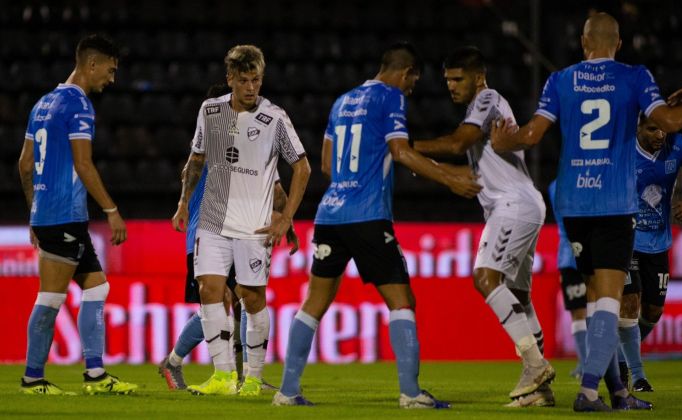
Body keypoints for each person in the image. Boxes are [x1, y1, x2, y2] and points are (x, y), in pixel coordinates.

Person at [491, 12, 682, 412]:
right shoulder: (634, 76)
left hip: (575, 203)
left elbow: (531, 135)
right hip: (614, 202)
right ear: (617, 44)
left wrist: (506, 140)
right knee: (608, 300)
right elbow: (671, 120)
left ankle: (618, 394)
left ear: (584, 44)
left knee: (597, 298)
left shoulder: (560, 79)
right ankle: (589, 393)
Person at [274, 42, 481, 409]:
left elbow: (326, 164)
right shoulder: (390, 97)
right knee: (402, 301)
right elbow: (400, 151)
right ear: (405, 74)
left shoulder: (342, 101)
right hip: (368, 215)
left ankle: (287, 392)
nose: (410, 90)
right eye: (412, 83)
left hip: (330, 214)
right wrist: (451, 180)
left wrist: (352, 177)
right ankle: (411, 393)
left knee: (313, 303)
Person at [412, 46, 554, 407]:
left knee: (485, 278)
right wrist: (424, 165)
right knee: (519, 297)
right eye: (447, 80)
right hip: (522, 204)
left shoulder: (487, 97)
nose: (451, 86)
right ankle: (539, 392)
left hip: (513, 206)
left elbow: (459, 144)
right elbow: (473, 169)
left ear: (477, 77)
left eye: (458, 79)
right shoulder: (485, 113)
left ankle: (535, 365)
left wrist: (404, 147)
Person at [171, 45, 310, 397]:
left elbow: (302, 168)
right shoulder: (210, 110)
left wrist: (286, 219)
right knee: (210, 292)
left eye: (257, 80)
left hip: (253, 226)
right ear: (230, 79)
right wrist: (184, 204)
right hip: (213, 222)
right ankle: (222, 377)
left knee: (251, 298)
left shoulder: (275, 117)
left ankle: (252, 378)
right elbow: (196, 160)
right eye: (244, 80)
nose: (251, 88)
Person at [17, 34, 137, 395]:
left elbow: (24, 165)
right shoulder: (79, 105)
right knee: (50, 298)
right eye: (111, 70)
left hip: (50, 214)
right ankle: (32, 378)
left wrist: (33, 211)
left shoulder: (41, 104)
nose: (111, 79)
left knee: (98, 286)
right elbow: (83, 164)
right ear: (92, 64)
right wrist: (112, 211)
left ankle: (96, 375)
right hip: (63, 215)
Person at [616, 113, 682, 392]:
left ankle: (618, 356)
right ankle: (636, 376)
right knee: (630, 303)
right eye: (652, 129)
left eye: (663, 129)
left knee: (653, 311)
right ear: (637, 126)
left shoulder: (678, 146)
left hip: (658, 242)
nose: (660, 135)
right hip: (627, 239)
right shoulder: (623, 148)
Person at [548, 181, 588, 380]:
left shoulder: (557, 185)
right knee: (581, 312)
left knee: (588, 311)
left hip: (573, 256)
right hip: (574, 257)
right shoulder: (559, 186)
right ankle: (585, 363)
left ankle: (591, 362)